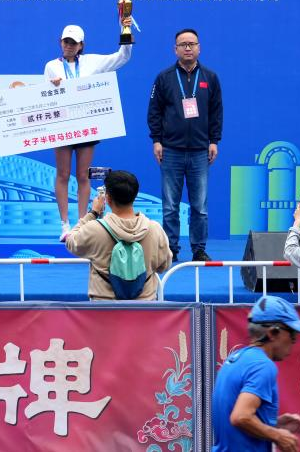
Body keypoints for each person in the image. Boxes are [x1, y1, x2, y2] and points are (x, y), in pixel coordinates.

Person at [44, 16, 134, 238]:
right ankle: (65, 225)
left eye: (73, 42)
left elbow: (123, 57)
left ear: (81, 45)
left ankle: (82, 224)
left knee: (83, 175)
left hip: (86, 126)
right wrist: (52, 87)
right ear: (60, 42)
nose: (69, 45)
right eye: (66, 41)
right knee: (63, 174)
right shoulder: (51, 66)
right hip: (62, 126)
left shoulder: (93, 62)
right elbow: (45, 98)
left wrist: (125, 29)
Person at [147, 28, 223, 262]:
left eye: (192, 44)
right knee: (170, 206)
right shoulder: (164, 77)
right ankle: (171, 249)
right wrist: (156, 140)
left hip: (200, 151)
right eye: (183, 44)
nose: (188, 48)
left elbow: (216, 111)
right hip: (171, 150)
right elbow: (154, 111)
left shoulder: (210, 77)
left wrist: (214, 141)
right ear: (175, 49)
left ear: (199, 48)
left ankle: (199, 249)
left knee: (199, 206)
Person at [212, 296, 300, 452]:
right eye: (292, 334)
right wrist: (278, 436)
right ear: (273, 333)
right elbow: (240, 417)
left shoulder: (236, 359)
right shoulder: (263, 366)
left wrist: (274, 423)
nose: (294, 341)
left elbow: (236, 419)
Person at [63, 170, 172, 300]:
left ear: (107, 199)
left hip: (104, 307)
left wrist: (93, 213)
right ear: (135, 196)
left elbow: (71, 242)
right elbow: (164, 265)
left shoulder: (95, 229)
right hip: (144, 306)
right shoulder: (154, 229)